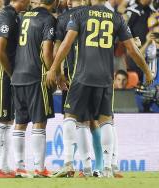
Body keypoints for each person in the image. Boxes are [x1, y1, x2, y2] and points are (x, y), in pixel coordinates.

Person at [47, 0, 153, 178]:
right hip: (105, 78)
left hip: (82, 75)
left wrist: (54, 68)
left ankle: (68, 163)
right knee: (106, 121)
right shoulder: (116, 17)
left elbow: (66, 44)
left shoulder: (79, 15)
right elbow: (132, 50)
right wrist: (147, 71)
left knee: (71, 117)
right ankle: (108, 167)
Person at [54, 0, 105, 178]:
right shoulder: (97, 15)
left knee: (71, 117)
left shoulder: (64, 18)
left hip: (74, 74)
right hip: (96, 74)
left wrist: (58, 72)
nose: (68, 1)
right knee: (89, 120)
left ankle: (69, 163)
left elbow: (60, 46)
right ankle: (92, 167)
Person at [11, 0, 56, 178]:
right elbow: (46, 52)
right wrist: (53, 72)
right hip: (36, 76)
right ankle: (39, 167)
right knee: (39, 120)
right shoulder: (48, 19)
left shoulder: (22, 17)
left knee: (20, 123)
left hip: (17, 76)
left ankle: (20, 167)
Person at [0, 0, 29, 178]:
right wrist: (11, 73)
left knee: (8, 122)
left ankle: (4, 165)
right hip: (1, 75)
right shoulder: (6, 17)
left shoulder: (13, 16)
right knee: (1, 121)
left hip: (5, 75)